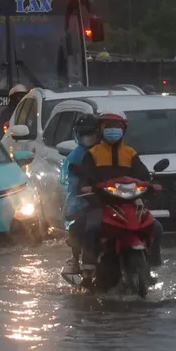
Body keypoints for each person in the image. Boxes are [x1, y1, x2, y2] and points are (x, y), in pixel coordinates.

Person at [76, 111, 160, 267]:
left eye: (117, 126)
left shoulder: (130, 153)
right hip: (102, 203)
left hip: (130, 203)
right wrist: (85, 186)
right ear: (100, 129)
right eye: (108, 126)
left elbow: (143, 175)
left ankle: (153, 264)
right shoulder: (93, 153)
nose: (112, 130)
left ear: (124, 129)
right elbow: (85, 175)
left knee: (156, 227)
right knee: (91, 228)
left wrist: (151, 185)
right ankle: (88, 266)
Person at [60, 113, 102, 275]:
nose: (87, 138)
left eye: (90, 133)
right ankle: (76, 259)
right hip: (84, 201)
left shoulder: (110, 151)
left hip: (108, 197)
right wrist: (81, 188)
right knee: (77, 226)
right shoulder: (75, 156)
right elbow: (66, 179)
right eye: (83, 134)